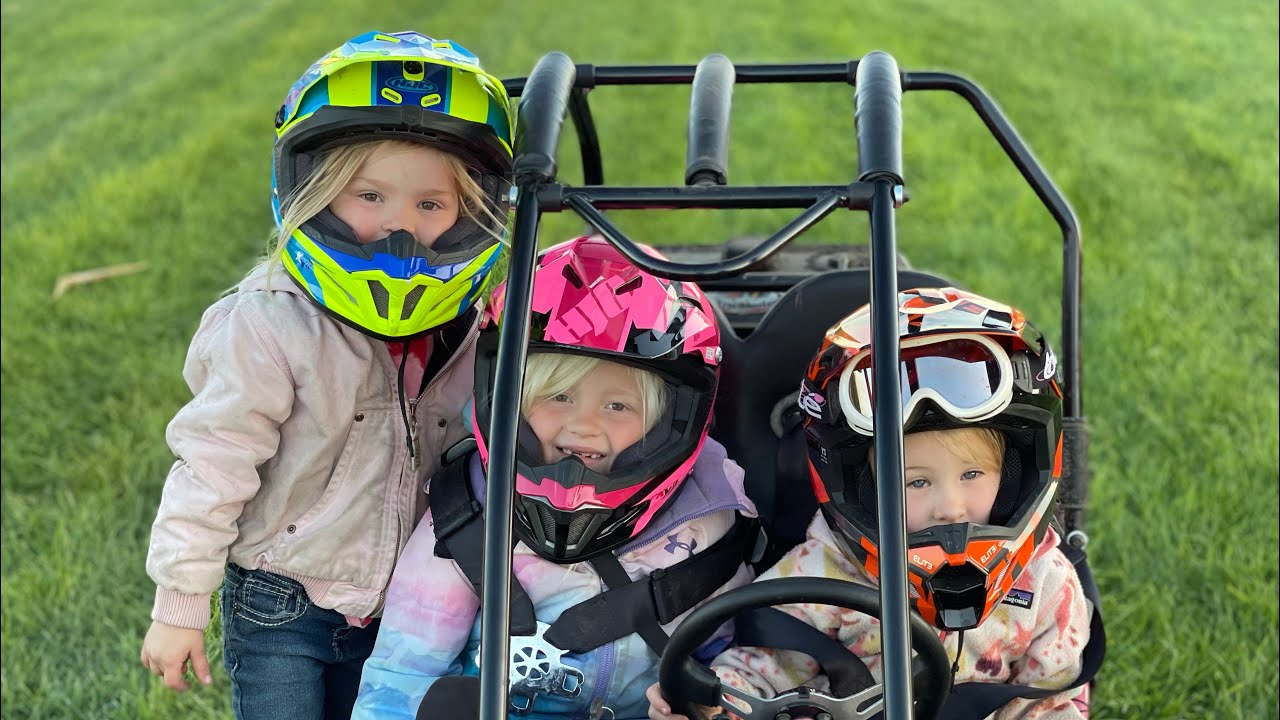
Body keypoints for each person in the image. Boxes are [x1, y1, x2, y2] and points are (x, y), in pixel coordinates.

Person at [138, 30, 515, 720]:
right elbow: (211, 467)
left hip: (408, 603)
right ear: (314, 189)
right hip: (283, 601)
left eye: (430, 206)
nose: (398, 228)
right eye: (368, 196)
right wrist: (181, 604)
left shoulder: (475, 321)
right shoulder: (267, 321)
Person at [352, 236, 760, 720]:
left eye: (618, 405)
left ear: (666, 423)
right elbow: (400, 681)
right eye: (560, 396)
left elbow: (719, 654)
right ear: (510, 398)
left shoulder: (708, 519)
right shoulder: (467, 518)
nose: (583, 424)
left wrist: (703, 703)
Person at [648, 287, 1093, 720]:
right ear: (865, 487)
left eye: (972, 474)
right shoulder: (822, 569)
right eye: (915, 482)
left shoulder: (1046, 584)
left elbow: (1053, 703)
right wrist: (715, 704)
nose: (950, 507)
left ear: (1017, 474)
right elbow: (758, 671)